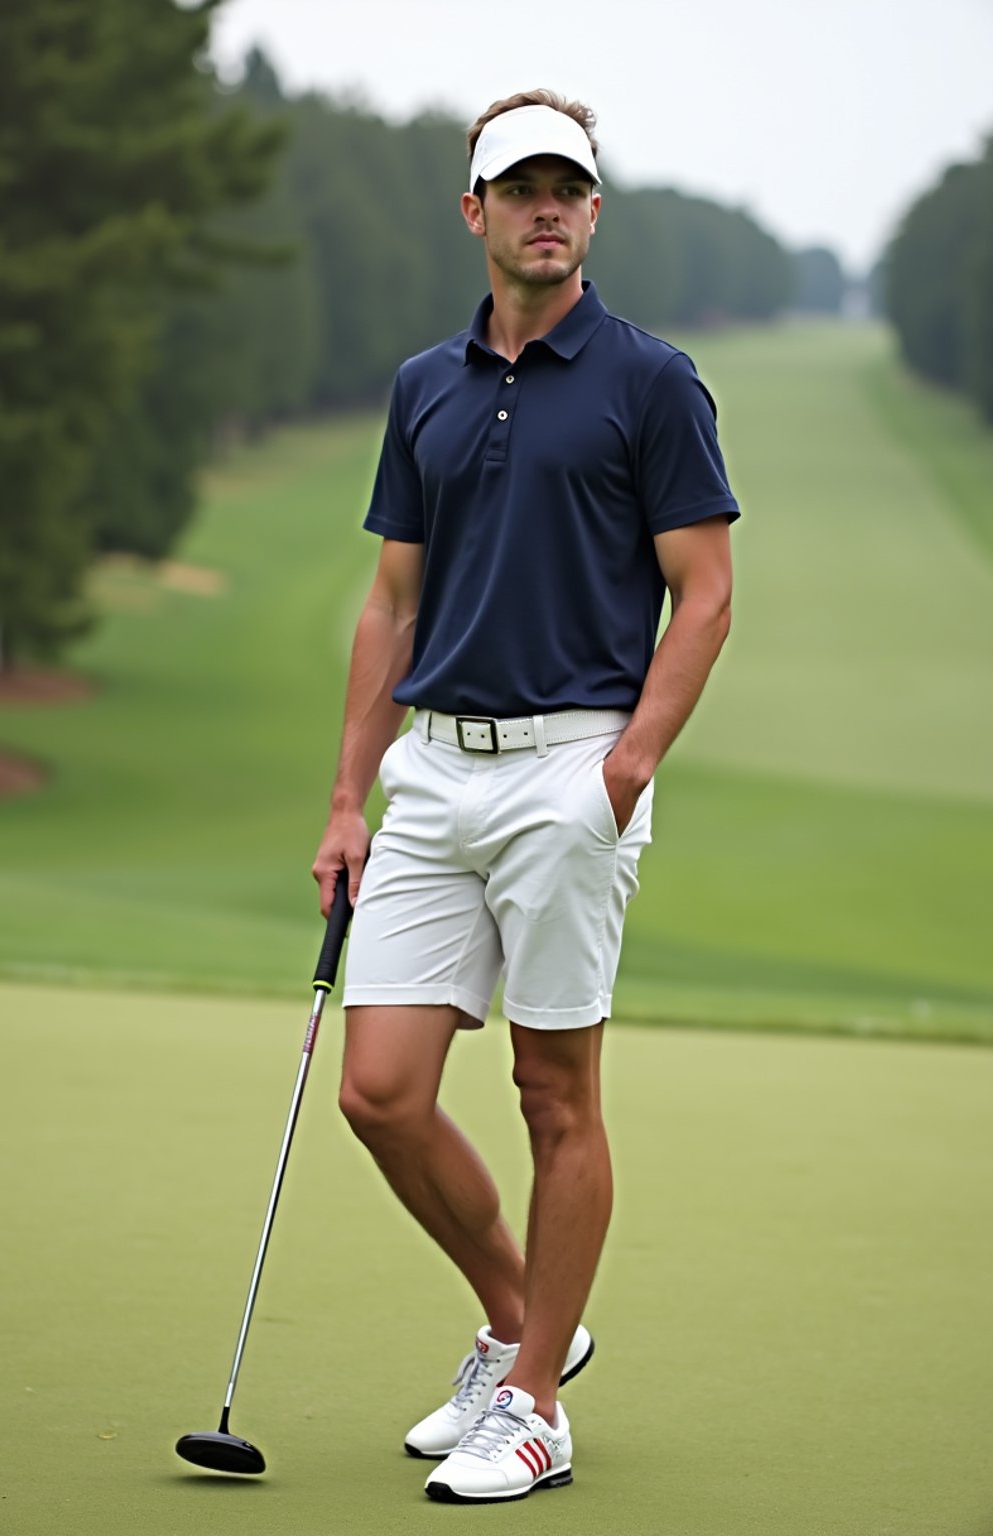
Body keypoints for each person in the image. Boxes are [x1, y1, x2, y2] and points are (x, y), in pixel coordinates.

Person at [312, 88, 739, 1506]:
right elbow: (391, 603)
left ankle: (539, 1406)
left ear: (593, 211)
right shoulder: (424, 385)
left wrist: (627, 764)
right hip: (431, 766)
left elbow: (706, 591)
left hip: (573, 764)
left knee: (555, 1092)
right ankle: (520, 1321)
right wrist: (348, 797)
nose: (547, 208)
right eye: (521, 187)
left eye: (570, 187)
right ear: (476, 211)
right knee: (379, 1092)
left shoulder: (651, 380)